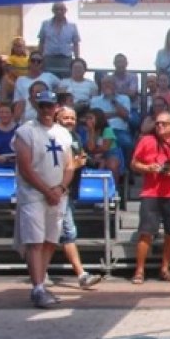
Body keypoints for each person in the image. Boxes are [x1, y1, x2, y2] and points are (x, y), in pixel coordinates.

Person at [12, 89, 74, 309]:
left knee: (50, 241)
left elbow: (70, 164)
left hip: (57, 194)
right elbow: (25, 167)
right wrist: (47, 190)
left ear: (57, 107)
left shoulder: (64, 134)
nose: (47, 109)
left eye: (51, 105)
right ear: (37, 106)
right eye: (43, 105)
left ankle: (41, 282)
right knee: (35, 241)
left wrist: (60, 188)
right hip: (33, 194)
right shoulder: (25, 132)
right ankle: (38, 286)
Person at [129, 110, 170, 284]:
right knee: (145, 233)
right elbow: (134, 163)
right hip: (151, 192)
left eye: (163, 123)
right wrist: (149, 168)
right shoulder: (146, 141)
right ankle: (139, 270)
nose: (159, 126)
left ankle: (165, 268)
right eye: (157, 123)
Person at [54, 106, 104, 290]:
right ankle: (81, 275)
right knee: (67, 233)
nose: (69, 121)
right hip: (56, 190)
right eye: (65, 117)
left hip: (70, 190)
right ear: (57, 118)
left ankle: (40, 274)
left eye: (72, 118)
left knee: (60, 234)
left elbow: (79, 158)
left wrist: (84, 161)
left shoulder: (75, 137)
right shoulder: (53, 137)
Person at [12, 51, 60, 123]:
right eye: (33, 60)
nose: (36, 63)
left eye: (39, 61)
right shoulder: (20, 80)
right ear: (29, 62)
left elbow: (63, 87)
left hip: (45, 108)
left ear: (42, 64)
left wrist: (52, 95)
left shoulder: (49, 76)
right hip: (27, 112)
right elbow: (18, 101)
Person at [37, 1, 80, 78]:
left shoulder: (72, 26)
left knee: (65, 82)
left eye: (61, 9)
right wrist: (39, 58)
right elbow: (41, 42)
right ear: (53, 11)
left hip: (66, 59)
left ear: (65, 10)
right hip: (49, 59)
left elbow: (76, 44)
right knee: (48, 81)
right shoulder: (45, 24)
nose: (59, 11)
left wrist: (77, 59)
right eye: (56, 9)